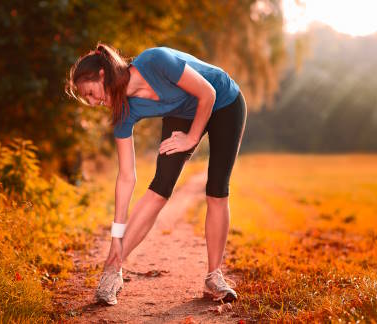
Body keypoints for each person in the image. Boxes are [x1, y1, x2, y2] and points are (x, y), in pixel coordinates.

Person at [65, 42, 247, 306]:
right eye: (88, 100)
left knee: (217, 189)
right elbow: (126, 177)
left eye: (91, 93)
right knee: (160, 186)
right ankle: (112, 270)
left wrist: (191, 138)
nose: (94, 103)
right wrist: (116, 236)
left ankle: (214, 277)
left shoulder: (156, 61)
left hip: (223, 102)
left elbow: (207, 93)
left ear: (102, 75)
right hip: (183, 110)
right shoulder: (122, 113)